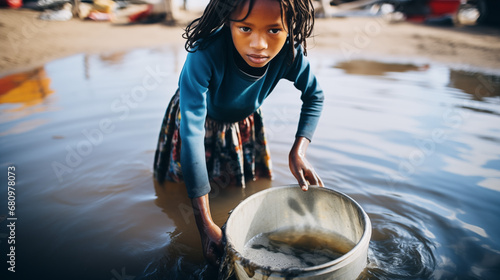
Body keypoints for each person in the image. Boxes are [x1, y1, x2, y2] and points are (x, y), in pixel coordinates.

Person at [153, 0, 324, 266]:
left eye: (274, 30)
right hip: (195, 121)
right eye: (245, 28)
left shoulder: (290, 55)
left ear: (291, 28)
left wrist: (298, 151)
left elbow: (314, 95)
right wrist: (204, 224)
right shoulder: (204, 52)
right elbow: (191, 137)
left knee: (237, 187)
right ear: (228, 21)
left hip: (243, 123)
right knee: (177, 191)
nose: (259, 44)